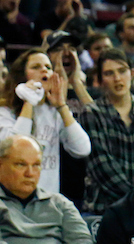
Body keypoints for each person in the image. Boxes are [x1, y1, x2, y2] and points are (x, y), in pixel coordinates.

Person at [78, 50, 134, 215]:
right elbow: (101, 165)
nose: (117, 78)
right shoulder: (91, 113)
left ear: (132, 73)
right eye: (109, 73)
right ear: (100, 80)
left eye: (122, 71)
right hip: (104, 208)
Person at [0, 48, 90, 195]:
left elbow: (82, 149)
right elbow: (15, 150)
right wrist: (28, 101)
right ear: (22, 75)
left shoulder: (54, 112)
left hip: (48, 201)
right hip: (12, 199)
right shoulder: (5, 111)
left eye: (48, 67)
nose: (44, 70)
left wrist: (61, 105)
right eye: (36, 67)